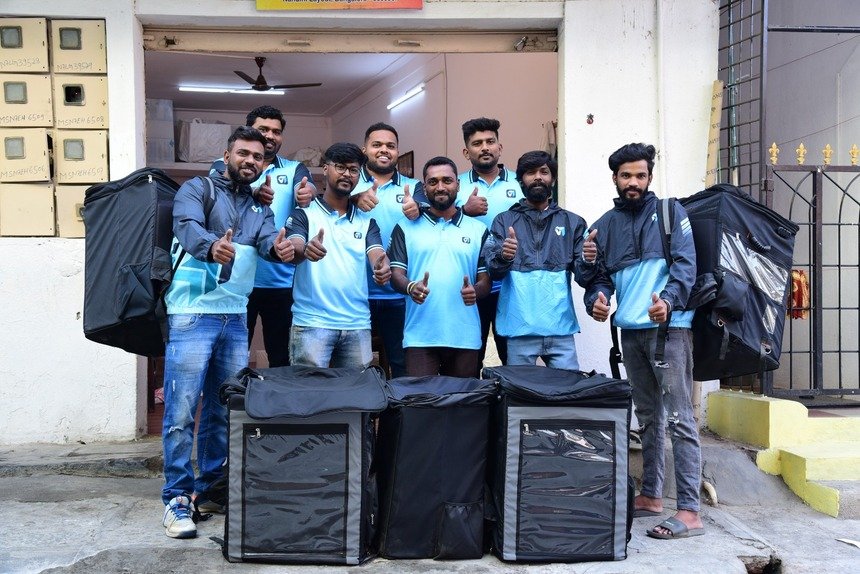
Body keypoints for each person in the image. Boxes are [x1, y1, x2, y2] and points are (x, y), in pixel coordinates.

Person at [161, 126, 295, 539]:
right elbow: (185, 225)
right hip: (192, 315)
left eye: (258, 157)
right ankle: (176, 498)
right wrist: (210, 246)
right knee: (181, 413)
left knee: (223, 410)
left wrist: (283, 249)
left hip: (235, 317)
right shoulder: (197, 189)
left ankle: (210, 489)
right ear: (227, 155)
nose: (250, 161)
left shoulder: (258, 206)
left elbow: (269, 239)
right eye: (243, 154)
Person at [575, 142, 704, 540]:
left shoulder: (670, 213)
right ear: (615, 178)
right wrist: (597, 299)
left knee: (680, 418)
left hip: (670, 330)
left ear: (649, 176)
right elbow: (597, 278)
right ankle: (651, 495)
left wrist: (668, 302)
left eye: (640, 175)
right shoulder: (604, 225)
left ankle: (690, 511)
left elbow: (686, 267)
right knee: (648, 416)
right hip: (630, 333)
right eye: (626, 175)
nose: (634, 182)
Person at [209, 105, 315, 368]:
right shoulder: (223, 164)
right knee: (231, 357)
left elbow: (308, 187)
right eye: (263, 129)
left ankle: (278, 398)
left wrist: (307, 193)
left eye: (276, 131)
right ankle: (234, 397)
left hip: (281, 281)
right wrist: (252, 192)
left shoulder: (294, 168)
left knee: (281, 358)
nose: (270, 135)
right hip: (235, 279)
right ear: (249, 130)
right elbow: (218, 190)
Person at [286, 142, 391, 368]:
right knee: (309, 389)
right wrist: (306, 250)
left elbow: (377, 254)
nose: (347, 174)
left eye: (353, 170)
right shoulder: (304, 214)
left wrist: (382, 268)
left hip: (357, 324)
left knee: (356, 391)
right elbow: (294, 247)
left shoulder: (367, 222)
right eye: (340, 167)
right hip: (312, 323)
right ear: (325, 168)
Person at [387, 156, 491, 377]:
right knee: (421, 398)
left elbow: (486, 281)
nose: (440, 187)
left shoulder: (478, 230)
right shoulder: (404, 227)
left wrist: (475, 291)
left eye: (447, 180)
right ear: (424, 188)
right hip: (419, 336)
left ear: (458, 185)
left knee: (463, 399)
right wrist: (411, 287)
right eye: (433, 182)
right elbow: (395, 274)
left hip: (465, 335)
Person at [484, 150, 587, 369]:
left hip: (561, 330)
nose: (538, 177)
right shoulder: (503, 221)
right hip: (518, 331)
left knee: (568, 389)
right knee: (521, 392)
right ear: (520, 180)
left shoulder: (573, 222)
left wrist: (589, 259)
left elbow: (585, 276)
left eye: (544, 172)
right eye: (531, 172)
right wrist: (504, 257)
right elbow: (493, 271)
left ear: (553, 179)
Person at [351, 122, 420, 378]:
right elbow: (328, 203)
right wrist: (354, 197)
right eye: (377, 144)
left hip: (399, 294)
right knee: (354, 366)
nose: (384, 150)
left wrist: (419, 208)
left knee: (401, 363)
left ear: (397, 151)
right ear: (364, 149)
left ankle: (398, 407)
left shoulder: (414, 187)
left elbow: (435, 215)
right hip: (356, 292)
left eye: (390, 146)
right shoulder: (350, 183)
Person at [456, 117, 521, 372]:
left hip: (512, 284)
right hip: (472, 283)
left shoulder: (520, 183)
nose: (485, 147)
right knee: (472, 356)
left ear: (499, 147)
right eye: (477, 143)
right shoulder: (456, 184)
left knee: (512, 358)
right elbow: (437, 221)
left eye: (490, 141)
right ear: (466, 152)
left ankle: (508, 399)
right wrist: (464, 210)